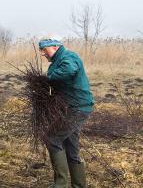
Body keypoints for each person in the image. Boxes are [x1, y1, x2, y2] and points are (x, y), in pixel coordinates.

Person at [39, 36, 94, 188]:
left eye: (45, 50)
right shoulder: (57, 60)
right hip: (72, 108)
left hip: (77, 108)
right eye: (42, 51)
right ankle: (79, 185)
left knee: (51, 139)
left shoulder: (68, 56)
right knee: (71, 147)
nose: (43, 54)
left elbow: (69, 70)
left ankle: (60, 184)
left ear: (55, 47)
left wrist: (48, 78)